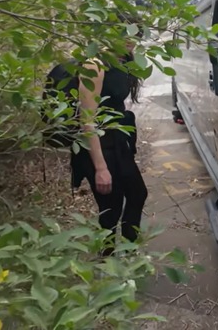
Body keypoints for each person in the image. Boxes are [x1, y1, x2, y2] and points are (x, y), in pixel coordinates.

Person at [70, 16, 147, 257]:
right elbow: (87, 120)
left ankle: (129, 251)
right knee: (110, 209)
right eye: (124, 34)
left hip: (117, 142)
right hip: (98, 146)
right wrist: (100, 168)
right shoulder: (95, 65)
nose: (130, 42)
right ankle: (109, 261)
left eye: (135, 37)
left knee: (137, 193)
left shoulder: (122, 62)